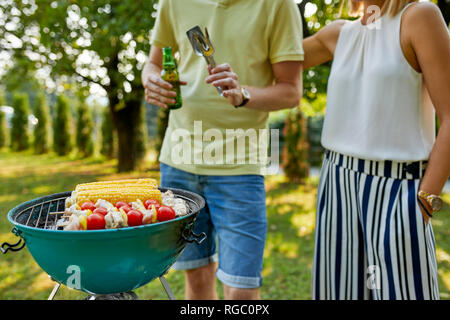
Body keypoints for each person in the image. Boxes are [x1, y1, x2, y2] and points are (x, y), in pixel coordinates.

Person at [141, 0, 304, 300]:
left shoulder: (278, 5)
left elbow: (291, 91)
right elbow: (152, 62)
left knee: (241, 289)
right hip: (180, 161)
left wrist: (244, 94)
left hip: (240, 167)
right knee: (198, 280)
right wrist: (150, 78)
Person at [303, 0, 450, 300]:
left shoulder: (419, 16)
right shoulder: (339, 33)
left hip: (397, 189)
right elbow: (269, 57)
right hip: (336, 183)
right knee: (339, 293)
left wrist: (422, 205)